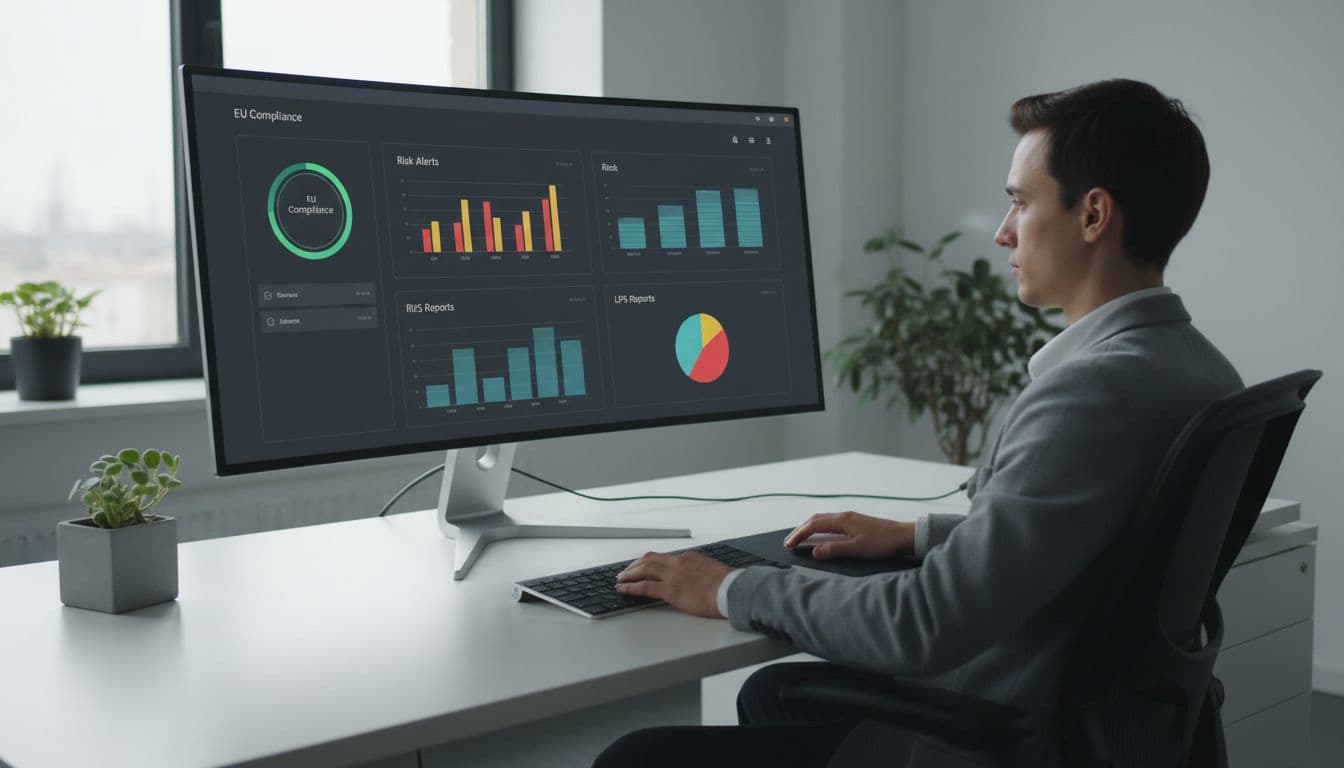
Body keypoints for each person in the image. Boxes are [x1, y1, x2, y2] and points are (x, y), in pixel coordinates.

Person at [593, 78, 1243, 768]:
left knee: (635, 756)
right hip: (1100, 720)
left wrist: (727, 586)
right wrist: (923, 534)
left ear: (1093, 216)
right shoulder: (1201, 371)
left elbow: (926, 625)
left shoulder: (1091, 393)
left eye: (1020, 202)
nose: (1002, 232)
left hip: (999, 732)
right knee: (775, 693)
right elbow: (1105, 553)